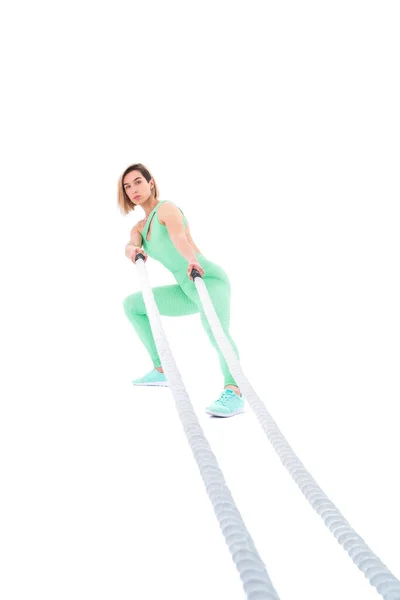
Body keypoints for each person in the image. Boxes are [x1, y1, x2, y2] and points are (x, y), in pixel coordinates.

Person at [118, 163, 245, 418]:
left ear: (151, 182)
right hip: (186, 289)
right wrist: (132, 250)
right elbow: (131, 244)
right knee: (133, 305)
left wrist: (191, 261)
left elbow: (179, 237)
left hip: (206, 279)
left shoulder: (167, 208)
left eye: (138, 182)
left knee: (215, 329)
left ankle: (235, 390)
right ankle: (161, 368)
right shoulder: (140, 227)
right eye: (127, 186)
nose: (134, 189)